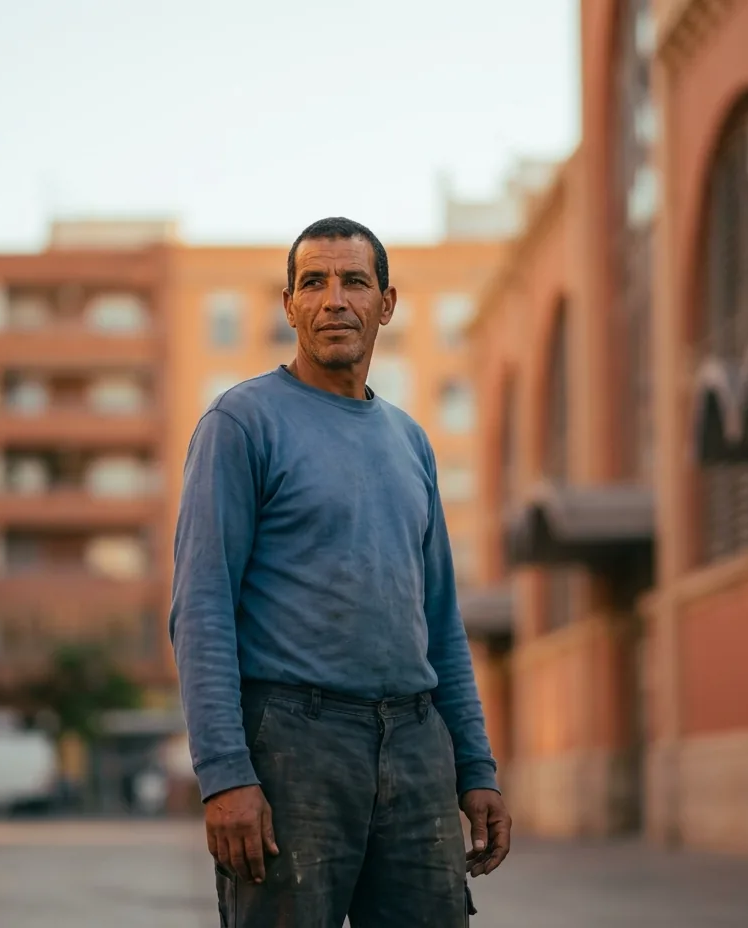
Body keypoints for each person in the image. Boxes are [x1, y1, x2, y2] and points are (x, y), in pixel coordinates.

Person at [170, 217, 511, 927]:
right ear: (288, 305)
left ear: (386, 304)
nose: (333, 299)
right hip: (294, 742)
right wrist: (226, 774)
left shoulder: (410, 441)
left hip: (417, 748)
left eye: (354, 281)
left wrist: (475, 766)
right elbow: (202, 610)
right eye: (313, 283)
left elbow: (440, 620)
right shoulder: (241, 423)